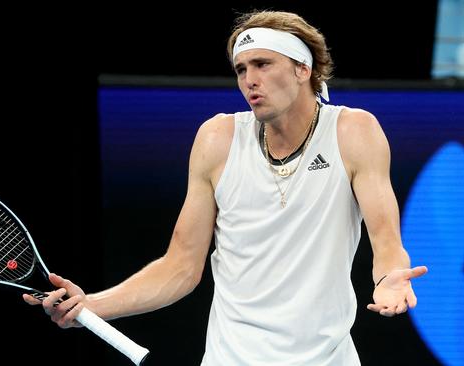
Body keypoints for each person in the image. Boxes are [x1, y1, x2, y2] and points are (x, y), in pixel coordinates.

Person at [24, 10, 428, 365]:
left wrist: (390, 276)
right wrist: (91, 306)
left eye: (263, 64)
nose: (250, 80)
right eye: (241, 69)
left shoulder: (353, 131)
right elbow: (180, 267)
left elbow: (386, 239)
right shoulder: (217, 138)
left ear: (303, 69)